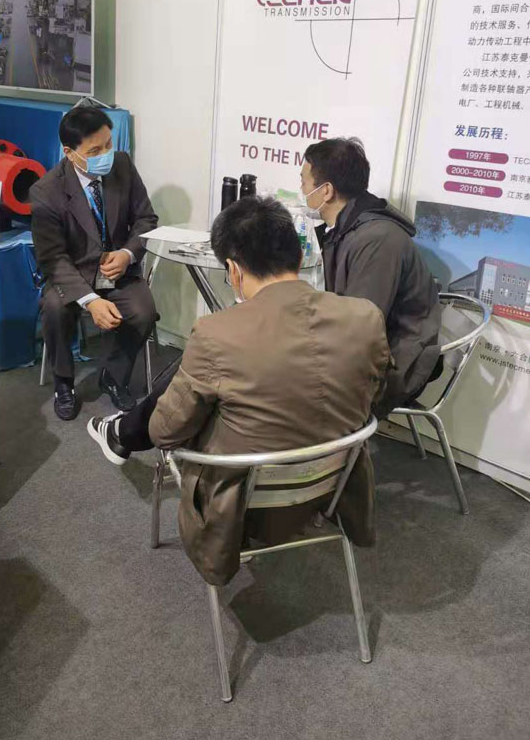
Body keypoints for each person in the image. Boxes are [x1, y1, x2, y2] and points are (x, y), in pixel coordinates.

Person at [87, 196, 390, 585]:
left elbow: (164, 432)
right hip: (332, 490)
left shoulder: (217, 333)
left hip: (241, 506)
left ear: (232, 270)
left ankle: (119, 431)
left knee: (196, 401)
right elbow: (375, 394)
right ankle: (121, 429)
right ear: (299, 257)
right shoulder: (365, 317)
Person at [31, 106, 158, 421]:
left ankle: (113, 376)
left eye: (108, 144)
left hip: (117, 270)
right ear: (69, 153)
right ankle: (64, 383)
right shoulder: (46, 192)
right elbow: (52, 257)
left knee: (143, 311)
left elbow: (146, 219)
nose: (106, 155)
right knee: (55, 309)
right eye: (94, 151)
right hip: (71, 274)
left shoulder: (122, 165)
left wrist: (127, 253)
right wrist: (90, 300)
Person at [300, 137, 441, 417]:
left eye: (303, 182)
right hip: (372, 346)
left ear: (325, 191)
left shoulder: (377, 240)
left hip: (398, 362)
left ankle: (327, 442)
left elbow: (359, 330)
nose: (302, 191)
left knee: (283, 379)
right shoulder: (347, 230)